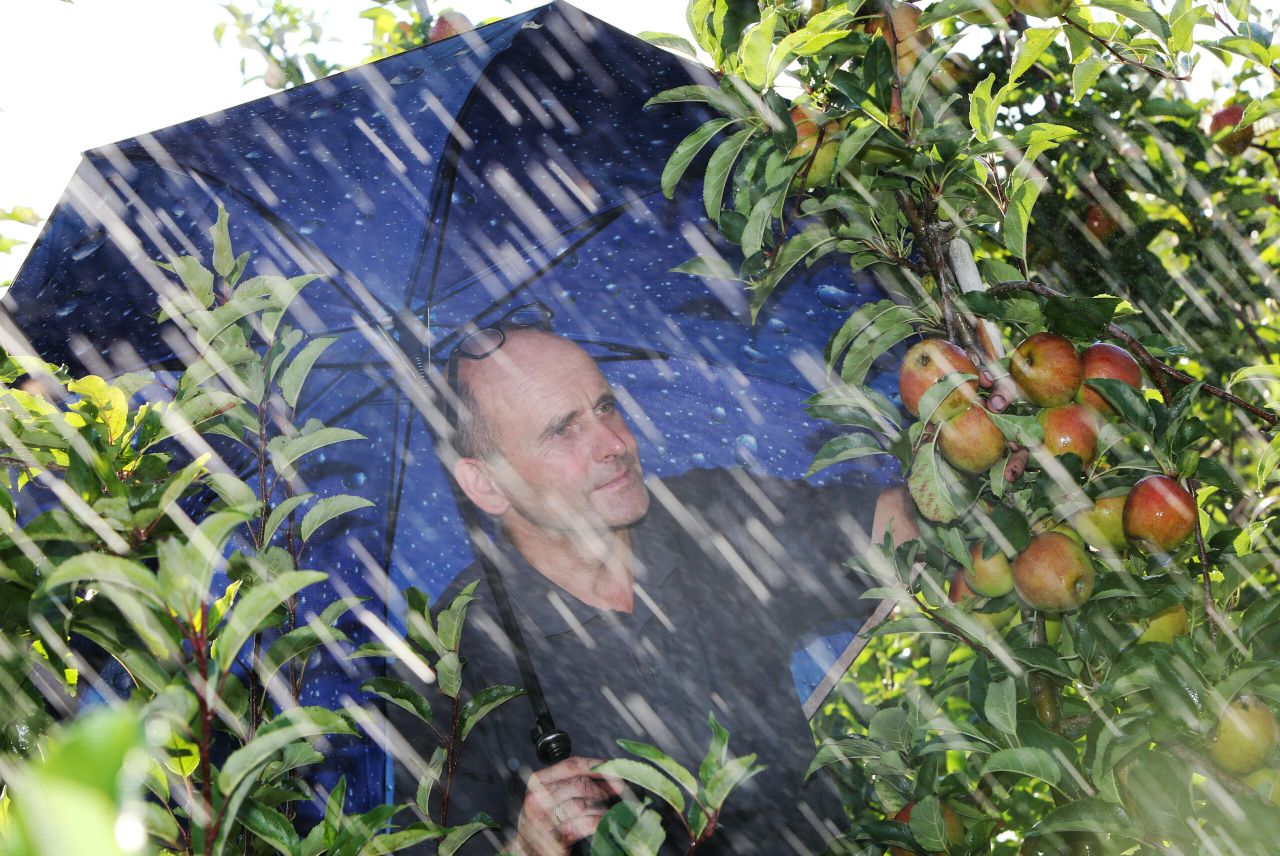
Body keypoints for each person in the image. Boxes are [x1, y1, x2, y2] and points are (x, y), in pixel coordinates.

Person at [394, 317, 917, 855]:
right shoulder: (454, 660)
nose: (614, 442)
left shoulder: (707, 517)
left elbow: (886, 534)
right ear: (487, 483)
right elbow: (429, 842)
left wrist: (964, 456)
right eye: (562, 429)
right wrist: (525, 850)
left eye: (604, 407)